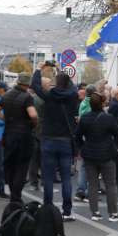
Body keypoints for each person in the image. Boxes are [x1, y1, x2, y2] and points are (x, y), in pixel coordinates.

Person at [31, 65, 79, 220]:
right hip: (65, 140)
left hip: (48, 139)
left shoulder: (50, 95)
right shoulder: (72, 96)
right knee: (66, 177)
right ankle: (67, 211)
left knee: (48, 177)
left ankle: (48, 208)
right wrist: (61, 70)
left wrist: (39, 69)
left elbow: (36, 86)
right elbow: (73, 86)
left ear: (56, 82)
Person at [74, 92, 118, 222]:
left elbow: (77, 136)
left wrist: (82, 148)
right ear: (103, 104)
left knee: (92, 184)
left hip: (89, 154)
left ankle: (95, 212)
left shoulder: (84, 118)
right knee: (111, 185)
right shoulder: (108, 118)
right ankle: (113, 213)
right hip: (107, 154)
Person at [0, 73, 38, 203]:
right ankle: (16, 197)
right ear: (28, 84)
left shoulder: (6, 95)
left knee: (10, 164)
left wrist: (7, 120)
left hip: (8, 135)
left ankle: (13, 193)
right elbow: (33, 115)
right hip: (24, 136)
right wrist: (34, 123)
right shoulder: (27, 97)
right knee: (22, 166)